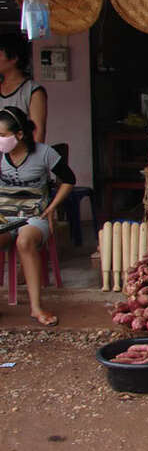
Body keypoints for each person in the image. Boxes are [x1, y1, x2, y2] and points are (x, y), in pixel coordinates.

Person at [0, 107, 75, 326]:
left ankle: (36, 307)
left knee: (25, 242)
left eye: (3, 135)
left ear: (19, 134)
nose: (0, 140)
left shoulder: (44, 153)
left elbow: (69, 179)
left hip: (33, 216)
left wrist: (51, 208)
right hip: (3, 217)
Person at [0, 33, 47, 142]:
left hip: (20, 156)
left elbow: (38, 133)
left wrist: (30, 159)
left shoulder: (33, 91)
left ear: (14, 58)